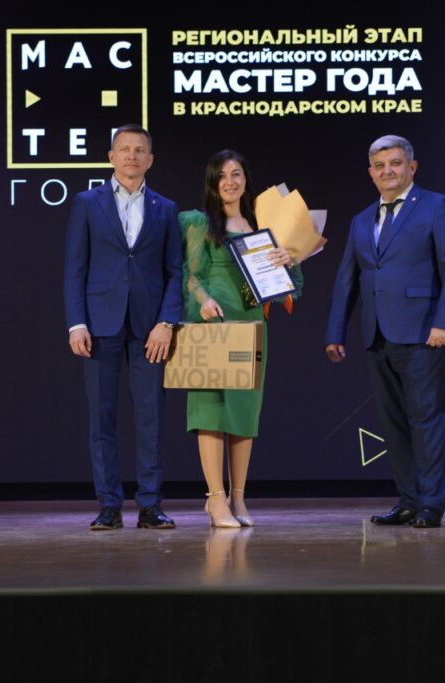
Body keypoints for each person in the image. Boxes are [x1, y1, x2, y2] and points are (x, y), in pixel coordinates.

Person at [325, 135, 445, 529]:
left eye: (395, 163)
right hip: (377, 334)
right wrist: (335, 331)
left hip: (424, 332)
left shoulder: (438, 206)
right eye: (380, 166)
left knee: (427, 421)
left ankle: (430, 504)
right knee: (393, 423)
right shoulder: (361, 219)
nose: (387, 171)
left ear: (412, 167)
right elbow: (347, 279)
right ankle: (408, 500)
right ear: (371, 173)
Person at [63, 124, 183, 530]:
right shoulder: (87, 203)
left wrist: (167, 321)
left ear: (150, 159)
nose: (132, 156)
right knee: (102, 419)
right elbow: (74, 268)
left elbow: (175, 271)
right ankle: (109, 506)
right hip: (100, 324)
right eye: (125, 149)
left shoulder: (166, 208)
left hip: (150, 329)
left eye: (139, 150)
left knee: (151, 419)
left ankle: (150, 505)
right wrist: (76, 323)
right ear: (111, 157)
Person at [179, 150, 302, 527]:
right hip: (213, 326)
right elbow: (190, 274)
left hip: (251, 326)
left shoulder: (264, 227)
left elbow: (290, 286)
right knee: (212, 413)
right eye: (221, 175)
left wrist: (288, 261)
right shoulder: (200, 223)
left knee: (243, 414)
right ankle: (215, 500)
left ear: (246, 179)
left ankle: (239, 499)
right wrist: (202, 300)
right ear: (212, 183)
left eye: (235, 174)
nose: (229, 181)